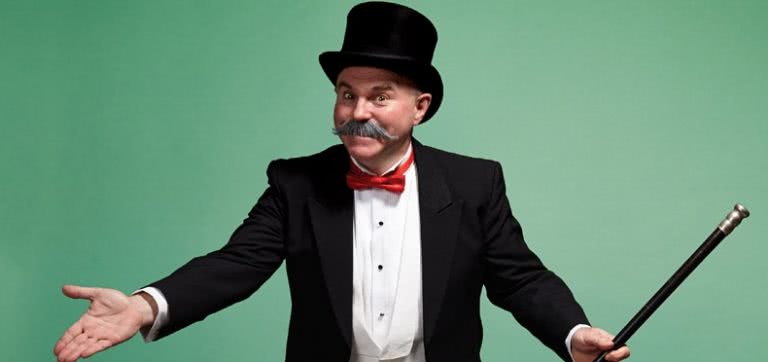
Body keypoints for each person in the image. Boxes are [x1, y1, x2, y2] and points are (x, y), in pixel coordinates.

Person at [54, 2, 631, 362]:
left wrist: (572, 333)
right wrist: (142, 306)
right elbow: (236, 264)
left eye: (380, 96)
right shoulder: (295, 183)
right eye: (346, 93)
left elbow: (520, 279)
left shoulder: (475, 183)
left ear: (420, 107)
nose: (358, 110)